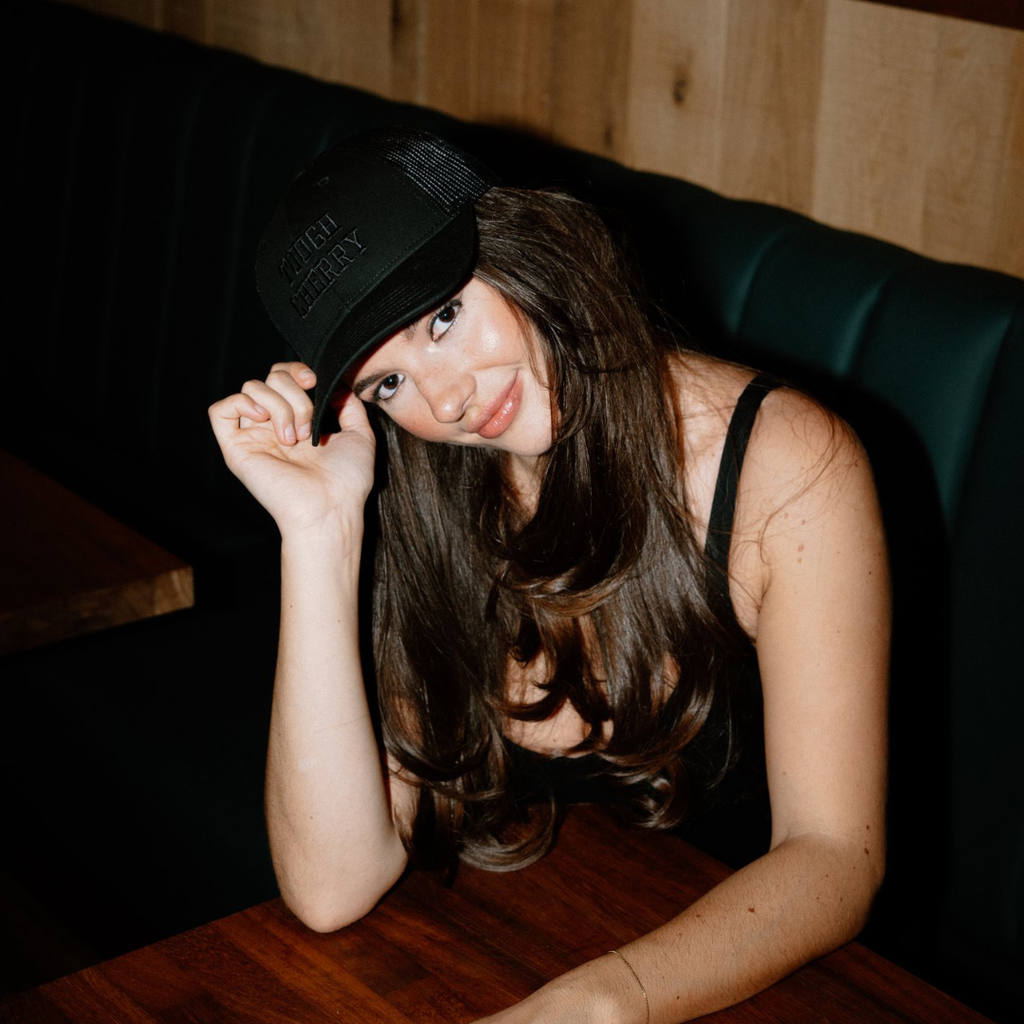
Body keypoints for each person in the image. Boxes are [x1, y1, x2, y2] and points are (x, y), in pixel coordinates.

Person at [209, 128, 889, 1023]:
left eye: (442, 318)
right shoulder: (422, 487)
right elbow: (331, 887)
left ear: (520, 244)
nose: (447, 399)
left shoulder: (786, 465)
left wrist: (598, 1005)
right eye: (387, 385)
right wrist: (317, 533)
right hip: (509, 959)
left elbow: (836, 855)